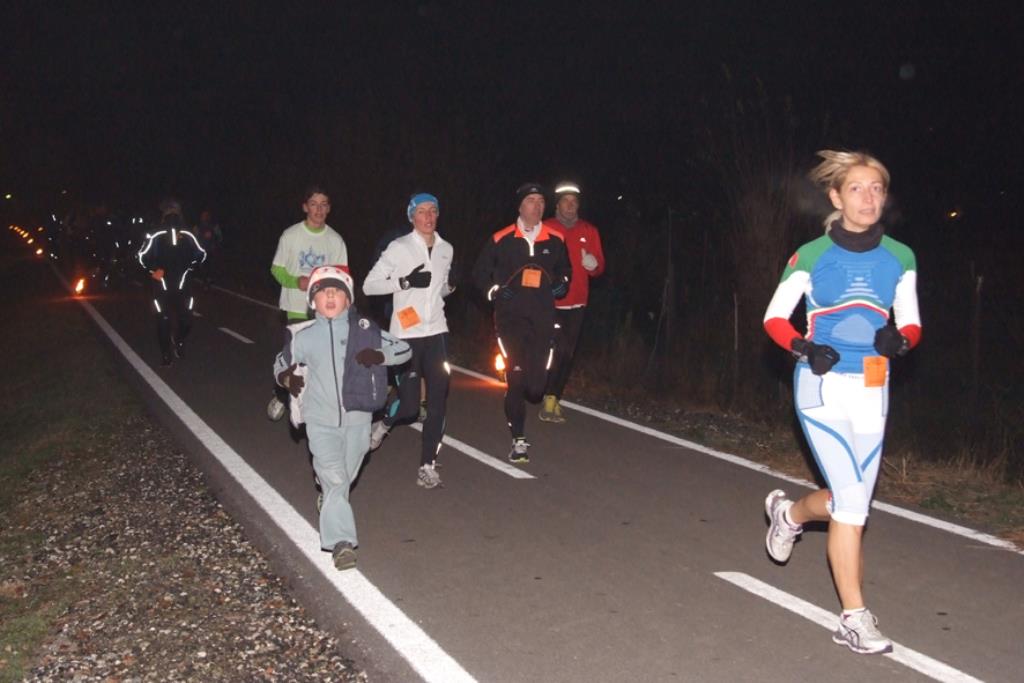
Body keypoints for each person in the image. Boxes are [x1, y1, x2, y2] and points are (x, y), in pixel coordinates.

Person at [762, 150, 921, 655]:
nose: (868, 198)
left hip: (874, 386)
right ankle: (854, 618)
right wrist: (803, 347)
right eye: (857, 188)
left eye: (876, 188)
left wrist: (901, 341)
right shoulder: (811, 255)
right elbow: (774, 319)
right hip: (821, 385)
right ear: (836, 197)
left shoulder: (900, 257)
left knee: (847, 500)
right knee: (852, 501)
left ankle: (789, 515)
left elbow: (911, 323)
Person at [274, 265, 410, 570]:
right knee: (335, 479)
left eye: (337, 291)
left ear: (348, 299)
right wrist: (285, 378)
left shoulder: (364, 331)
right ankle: (342, 543)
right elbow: (280, 363)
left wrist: (380, 356)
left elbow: (403, 350)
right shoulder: (304, 337)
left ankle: (328, 495)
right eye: (323, 292)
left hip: (358, 419)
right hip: (319, 421)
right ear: (313, 301)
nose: (330, 296)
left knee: (343, 478)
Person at [472, 182, 571, 463]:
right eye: (531, 200)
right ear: (519, 206)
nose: (537, 206)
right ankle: (518, 440)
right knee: (515, 379)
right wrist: (494, 291)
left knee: (536, 389)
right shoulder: (501, 238)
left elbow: (565, 270)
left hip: (543, 320)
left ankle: (530, 388)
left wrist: (562, 283)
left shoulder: (555, 239)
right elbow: (479, 273)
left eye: (541, 201)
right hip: (510, 320)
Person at [363, 193, 455, 489]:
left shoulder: (446, 249)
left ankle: (427, 466)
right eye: (422, 211)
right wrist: (404, 282)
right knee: (410, 407)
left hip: (437, 332)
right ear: (412, 216)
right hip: (405, 335)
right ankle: (385, 424)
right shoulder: (399, 247)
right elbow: (369, 286)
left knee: (438, 401)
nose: (428, 217)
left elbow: (438, 290)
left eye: (433, 211)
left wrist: (450, 287)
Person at [267, 186, 348, 421]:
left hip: (324, 310)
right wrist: (296, 281)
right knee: (296, 359)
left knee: (320, 361)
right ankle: (281, 394)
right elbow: (276, 269)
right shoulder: (290, 235)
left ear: (329, 208)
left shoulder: (335, 240)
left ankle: (316, 408)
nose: (318, 209)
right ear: (305, 207)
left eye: (323, 205)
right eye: (314, 204)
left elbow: (343, 275)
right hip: (296, 307)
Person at [539, 182, 605, 423]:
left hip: (577, 302)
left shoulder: (589, 230)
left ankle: (553, 398)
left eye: (574, 202)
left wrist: (594, 266)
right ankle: (542, 391)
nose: (570, 206)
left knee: (567, 353)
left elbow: (600, 266)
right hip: (550, 301)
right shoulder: (546, 227)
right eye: (566, 201)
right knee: (550, 350)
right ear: (558, 205)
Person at [137, 205, 207, 366]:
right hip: (164, 285)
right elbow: (142, 256)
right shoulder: (157, 234)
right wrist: (153, 269)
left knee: (182, 319)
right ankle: (167, 352)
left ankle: (176, 343)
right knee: (166, 319)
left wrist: (190, 267)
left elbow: (201, 253)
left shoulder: (187, 234)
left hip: (181, 285)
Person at [194, 209, 223, 289]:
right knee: (203, 265)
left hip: (211, 249)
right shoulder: (198, 226)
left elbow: (219, 237)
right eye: (204, 215)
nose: (205, 217)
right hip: (202, 249)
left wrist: (216, 243)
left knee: (210, 265)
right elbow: (194, 237)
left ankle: (208, 280)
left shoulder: (214, 226)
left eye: (207, 215)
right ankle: (205, 280)